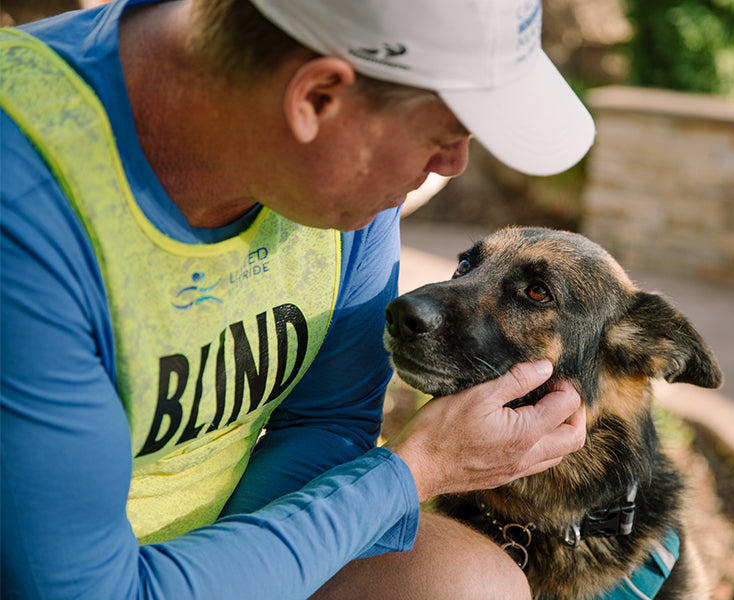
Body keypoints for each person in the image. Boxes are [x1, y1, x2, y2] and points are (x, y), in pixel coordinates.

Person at [0, 0, 596, 598]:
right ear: (316, 98)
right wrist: (415, 469)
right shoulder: (25, 202)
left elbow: (327, 420)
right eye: (442, 137)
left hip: (192, 562)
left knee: (467, 584)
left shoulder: (336, 186)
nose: (452, 165)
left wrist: (232, 574)